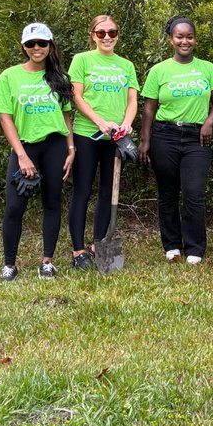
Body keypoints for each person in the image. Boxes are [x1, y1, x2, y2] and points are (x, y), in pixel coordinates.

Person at [0, 22, 75, 280]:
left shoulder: (59, 78)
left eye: (42, 43)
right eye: (31, 44)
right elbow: (5, 118)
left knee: (52, 203)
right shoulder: (9, 76)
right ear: (23, 47)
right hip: (25, 147)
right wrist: (22, 155)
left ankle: (47, 262)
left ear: (50, 46)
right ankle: (9, 264)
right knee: (15, 207)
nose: (36, 48)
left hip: (55, 147)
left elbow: (66, 115)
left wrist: (71, 149)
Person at [140, 17, 213, 264]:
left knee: (193, 193)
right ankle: (172, 245)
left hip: (197, 136)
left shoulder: (207, 68)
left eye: (189, 36)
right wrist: (145, 140)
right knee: (167, 192)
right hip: (164, 135)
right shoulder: (159, 70)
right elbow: (148, 109)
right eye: (179, 37)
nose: (184, 41)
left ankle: (195, 247)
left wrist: (209, 122)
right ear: (171, 40)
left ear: (195, 39)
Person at [66, 15, 140, 270]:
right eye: (101, 33)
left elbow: (132, 100)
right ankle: (78, 252)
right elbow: (76, 96)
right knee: (83, 192)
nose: (107, 37)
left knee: (109, 193)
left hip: (115, 138)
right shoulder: (82, 60)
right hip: (88, 134)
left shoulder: (126, 65)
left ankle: (99, 244)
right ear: (92, 35)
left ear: (118, 35)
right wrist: (99, 121)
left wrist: (127, 123)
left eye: (112, 32)